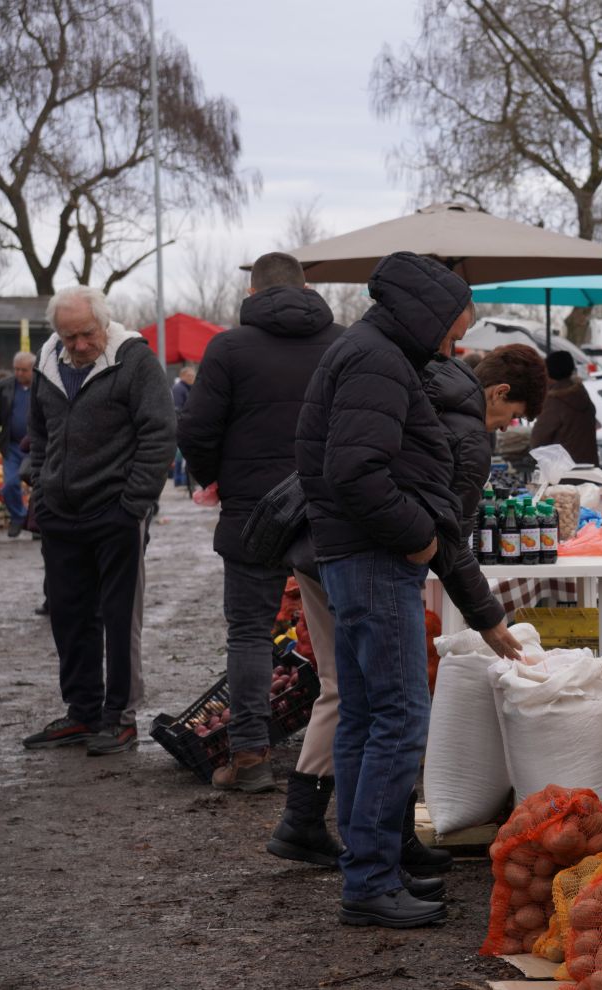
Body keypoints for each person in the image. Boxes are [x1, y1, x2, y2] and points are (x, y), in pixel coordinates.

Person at [266, 341, 545, 874]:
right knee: (387, 711)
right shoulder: (464, 430)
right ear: (500, 392)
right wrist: (487, 617)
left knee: (348, 695)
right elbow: (449, 536)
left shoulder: (422, 383)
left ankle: (350, 834)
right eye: (514, 416)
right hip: (362, 559)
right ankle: (368, 852)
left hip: (315, 543)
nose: (510, 428)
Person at [295, 250, 482, 928]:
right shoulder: (376, 359)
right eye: (451, 329)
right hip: (374, 558)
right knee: (399, 718)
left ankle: (370, 871)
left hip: (353, 555)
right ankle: (371, 881)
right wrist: (419, 538)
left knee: (370, 717)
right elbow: (356, 471)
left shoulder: (370, 348)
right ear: (427, 313)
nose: (451, 344)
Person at [177, 252, 344, 792]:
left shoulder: (228, 347)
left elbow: (196, 430)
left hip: (252, 510)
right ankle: (350, 749)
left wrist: (214, 479)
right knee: (344, 634)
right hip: (328, 508)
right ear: (307, 287)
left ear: (251, 295)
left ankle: (250, 757)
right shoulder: (343, 342)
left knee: (249, 632)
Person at [21, 285, 176, 754]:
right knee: (69, 615)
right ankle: (82, 712)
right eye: (69, 338)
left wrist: (135, 502)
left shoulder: (135, 361)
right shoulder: (48, 364)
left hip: (116, 513)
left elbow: (160, 432)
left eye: (86, 335)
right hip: (60, 514)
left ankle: (120, 717)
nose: (79, 346)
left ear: (103, 324)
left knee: (118, 616)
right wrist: (40, 486)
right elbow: (39, 431)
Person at [0, 351, 35, 537]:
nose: (20, 373)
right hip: (12, 446)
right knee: (10, 483)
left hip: (37, 446)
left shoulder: (43, 385)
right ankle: (18, 516)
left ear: (33, 369)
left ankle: (36, 524)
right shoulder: (4, 387)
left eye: (24, 370)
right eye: (16, 369)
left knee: (40, 487)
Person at [530, 349, 598, 465]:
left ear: (548, 372)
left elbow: (538, 439)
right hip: (589, 467)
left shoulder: (555, 401)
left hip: (565, 471)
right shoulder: (581, 393)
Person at [171, 364, 196, 489]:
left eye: (193, 375)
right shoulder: (179, 388)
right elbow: (178, 408)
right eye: (189, 375)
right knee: (180, 452)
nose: (192, 377)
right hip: (181, 424)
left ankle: (182, 479)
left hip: (185, 423)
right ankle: (179, 479)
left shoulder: (188, 388)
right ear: (182, 376)